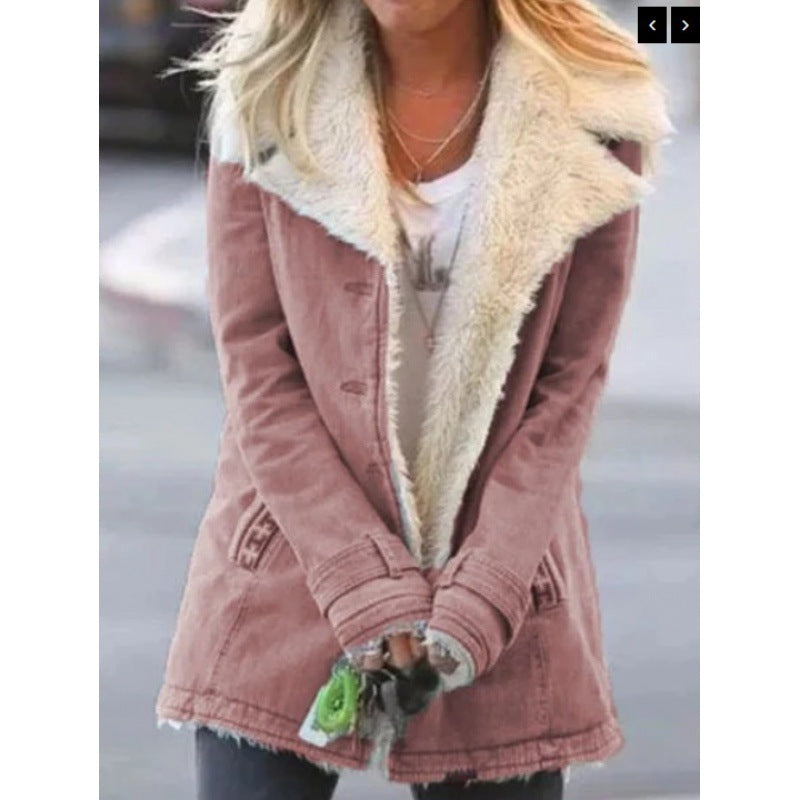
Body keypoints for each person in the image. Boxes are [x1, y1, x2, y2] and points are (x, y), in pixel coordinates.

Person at [154, 1, 673, 798]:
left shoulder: (597, 104)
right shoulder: (266, 82)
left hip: (501, 568)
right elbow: (258, 368)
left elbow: (567, 388)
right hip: (294, 549)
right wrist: (359, 576)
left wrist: (487, 588)